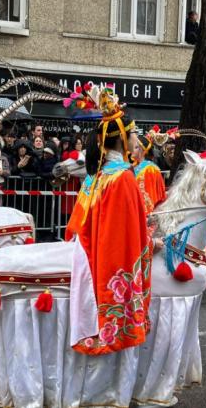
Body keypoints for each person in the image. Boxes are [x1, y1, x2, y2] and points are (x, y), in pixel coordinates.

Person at [65, 85, 150, 355]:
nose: (138, 141)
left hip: (83, 248)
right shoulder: (123, 176)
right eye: (135, 135)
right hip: (101, 253)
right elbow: (124, 236)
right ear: (123, 139)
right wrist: (150, 240)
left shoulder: (97, 173)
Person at [130, 132, 167, 215]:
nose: (131, 150)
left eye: (135, 147)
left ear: (143, 150)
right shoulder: (134, 166)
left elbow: (149, 195)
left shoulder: (150, 169)